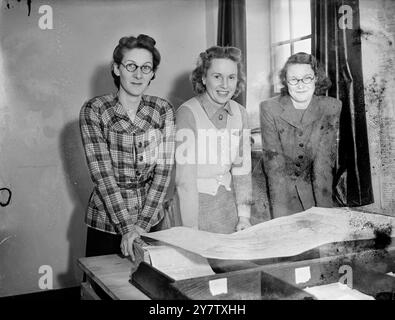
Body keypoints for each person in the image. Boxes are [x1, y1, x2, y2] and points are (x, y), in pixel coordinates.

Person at [80, 34, 175, 260]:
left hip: (151, 219)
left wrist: (141, 227)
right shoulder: (95, 109)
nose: (138, 74)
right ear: (116, 68)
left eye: (146, 67)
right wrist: (127, 229)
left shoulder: (163, 110)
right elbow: (103, 175)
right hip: (106, 222)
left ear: (152, 73)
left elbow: (163, 173)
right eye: (131, 66)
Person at [175, 46, 253, 234]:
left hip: (229, 206)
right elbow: (185, 181)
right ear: (203, 78)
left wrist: (244, 217)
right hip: (193, 208)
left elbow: (242, 170)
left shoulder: (241, 113)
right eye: (217, 76)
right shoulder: (187, 113)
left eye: (231, 77)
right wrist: (190, 229)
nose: (225, 85)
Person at [260, 52, 342, 219]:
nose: (300, 85)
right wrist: (281, 220)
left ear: (316, 78)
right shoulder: (269, 108)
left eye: (307, 78)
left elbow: (323, 165)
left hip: (312, 189)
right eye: (293, 79)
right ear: (285, 81)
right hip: (272, 191)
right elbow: (275, 168)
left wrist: (324, 214)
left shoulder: (331, 107)